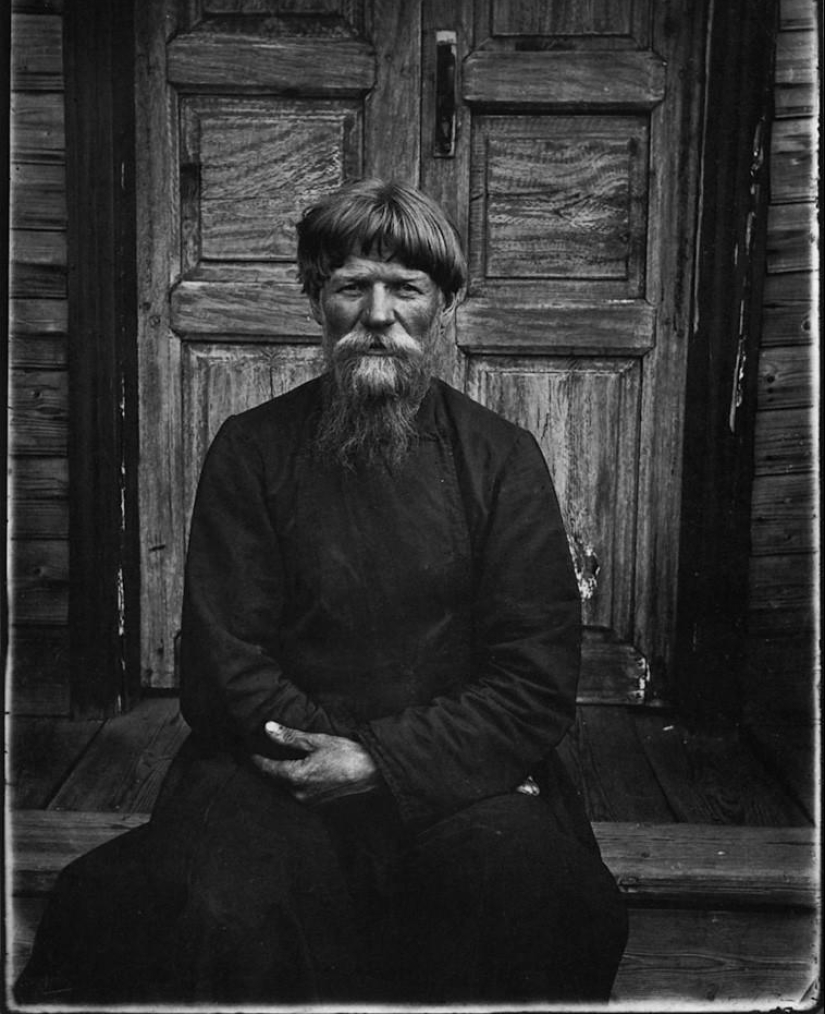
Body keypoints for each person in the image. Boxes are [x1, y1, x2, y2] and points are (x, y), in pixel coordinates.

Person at [16, 180, 628, 1006]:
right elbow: (225, 664)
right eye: (351, 286)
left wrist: (380, 764)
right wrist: (328, 758)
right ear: (316, 300)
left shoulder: (502, 460)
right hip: (273, 769)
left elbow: (533, 677)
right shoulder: (250, 449)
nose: (377, 314)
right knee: (219, 904)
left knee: (528, 891)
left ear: (442, 306)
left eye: (405, 288)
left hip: (454, 773)